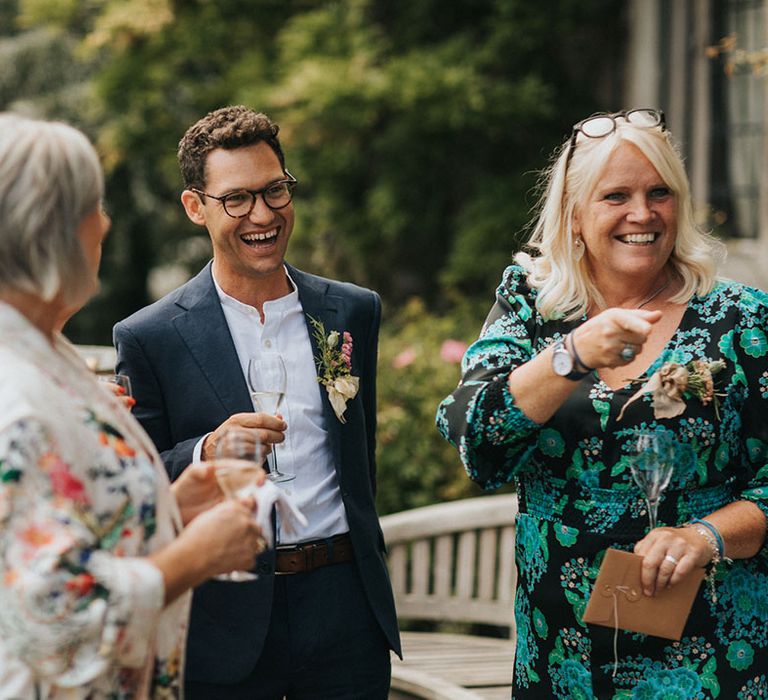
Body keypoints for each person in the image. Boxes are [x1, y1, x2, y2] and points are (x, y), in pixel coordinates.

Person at [436, 108, 768, 698]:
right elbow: (478, 442)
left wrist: (705, 535)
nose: (642, 214)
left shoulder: (741, 319)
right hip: (562, 651)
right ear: (574, 216)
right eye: (616, 195)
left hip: (715, 648)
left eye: (659, 192)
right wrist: (573, 354)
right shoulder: (532, 312)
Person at [113, 105, 400, 698]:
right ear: (196, 207)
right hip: (227, 612)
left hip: (345, 606)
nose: (263, 215)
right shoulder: (149, 336)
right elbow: (139, 480)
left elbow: (358, 457)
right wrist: (207, 451)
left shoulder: (352, 311)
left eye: (275, 190)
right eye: (237, 199)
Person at [0, 113, 267, 698]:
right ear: (47, 227)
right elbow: (54, 623)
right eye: (91, 207)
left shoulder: (47, 351)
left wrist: (171, 506)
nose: (105, 222)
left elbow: (56, 527)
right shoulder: (14, 397)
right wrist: (195, 556)